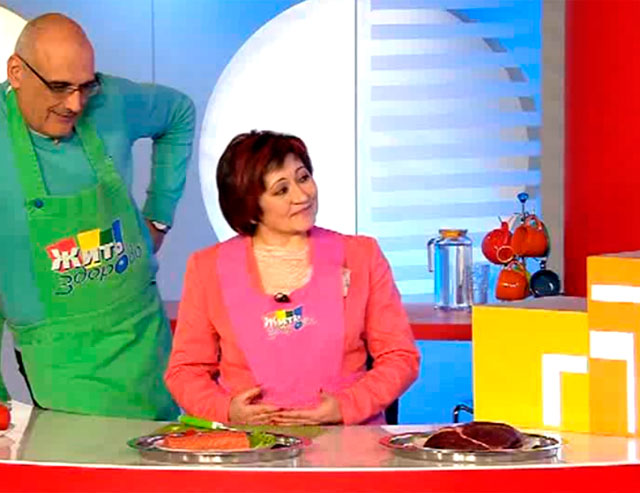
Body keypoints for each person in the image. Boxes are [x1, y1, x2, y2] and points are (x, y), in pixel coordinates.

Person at [0, 13, 195, 420]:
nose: (75, 104)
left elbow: (179, 113)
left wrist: (159, 216)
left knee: (162, 449)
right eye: (59, 87)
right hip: (59, 356)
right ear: (16, 72)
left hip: (140, 334)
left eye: (85, 86)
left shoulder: (111, 101)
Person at [165, 130, 419, 425]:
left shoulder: (362, 255)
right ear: (250, 205)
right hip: (249, 444)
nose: (302, 195)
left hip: (349, 440)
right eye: (281, 190)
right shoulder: (207, 268)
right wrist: (226, 410)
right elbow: (185, 371)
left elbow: (400, 356)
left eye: (303, 178)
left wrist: (347, 407)